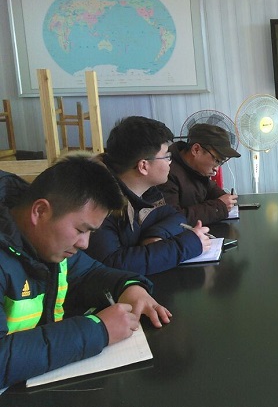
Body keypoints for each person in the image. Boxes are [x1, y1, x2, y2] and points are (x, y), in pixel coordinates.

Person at [0, 156, 171, 389]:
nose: (85, 244)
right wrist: (98, 331)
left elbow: (89, 272)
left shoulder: (45, 243)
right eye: (81, 230)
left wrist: (129, 287)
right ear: (40, 211)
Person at [87, 116, 210, 276]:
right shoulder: (98, 201)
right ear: (143, 166)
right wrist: (187, 245)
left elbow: (174, 216)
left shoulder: (146, 191)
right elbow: (112, 264)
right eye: (166, 156)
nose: (170, 162)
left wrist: (155, 235)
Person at [159, 123, 241, 226]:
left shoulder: (195, 167)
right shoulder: (166, 173)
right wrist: (218, 207)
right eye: (216, 160)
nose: (216, 169)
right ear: (196, 149)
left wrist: (226, 198)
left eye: (221, 162)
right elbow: (173, 220)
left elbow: (211, 189)